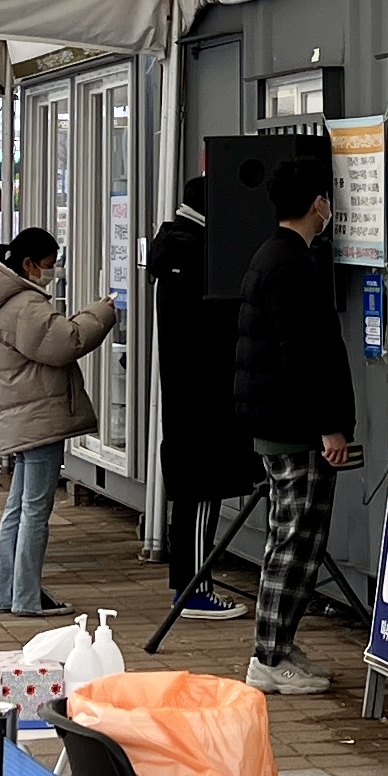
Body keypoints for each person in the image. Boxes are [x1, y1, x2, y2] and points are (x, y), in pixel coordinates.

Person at [229, 156, 358, 695]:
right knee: (295, 544)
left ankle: (278, 644)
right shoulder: (291, 266)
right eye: (327, 199)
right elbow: (303, 357)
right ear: (317, 204)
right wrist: (330, 426)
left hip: (279, 423)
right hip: (296, 430)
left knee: (290, 539)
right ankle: (269, 656)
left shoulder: (274, 255)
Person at [0, 226, 121, 617]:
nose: (52, 272)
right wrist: (102, 311)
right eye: (49, 264)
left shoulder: (6, 300)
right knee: (35, 510)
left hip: (23, 415)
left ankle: (3, 591)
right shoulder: (26, 304)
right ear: (29, 264)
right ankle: (26, 596)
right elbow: (66, 342)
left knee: (18, 507)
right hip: (38, 416)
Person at [145, 169, 255, 606]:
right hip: (201, 396)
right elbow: (215, 327)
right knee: (201, 493)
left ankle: (191, 588)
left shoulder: (175, 249)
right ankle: (193, 592)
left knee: (193, 493)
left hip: (185, 395)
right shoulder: (197, 255)